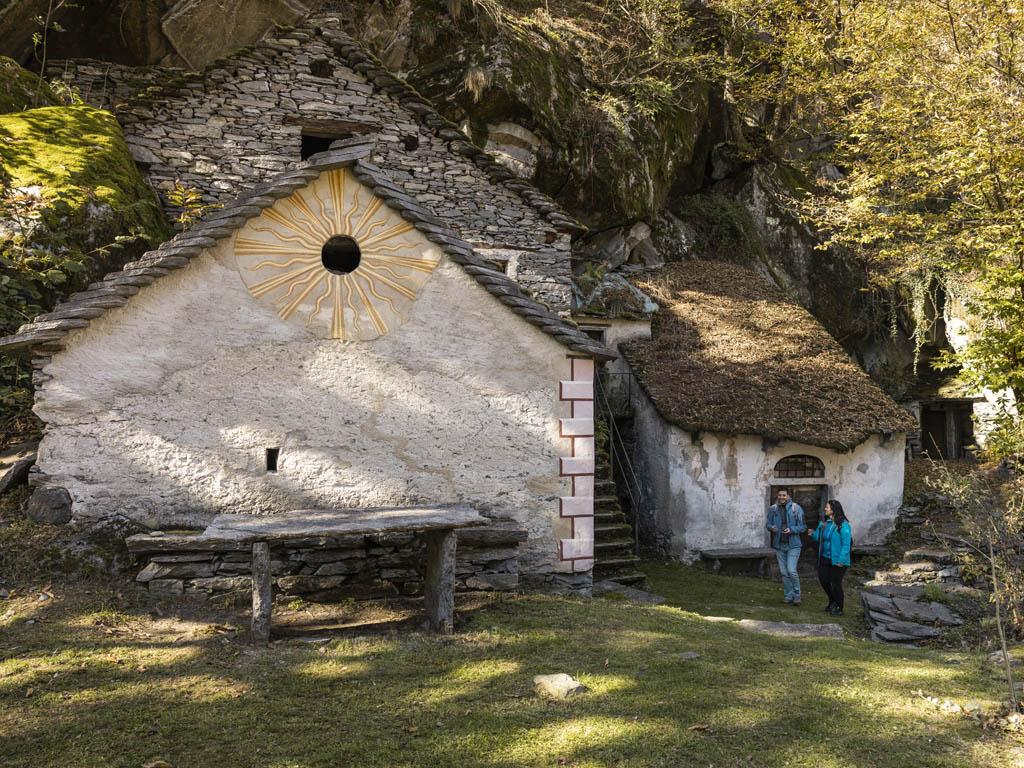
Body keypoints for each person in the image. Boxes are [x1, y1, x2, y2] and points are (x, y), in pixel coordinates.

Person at [810, 499, 852, 616]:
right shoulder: (825, 523)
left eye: (827, 507)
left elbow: (846, 545)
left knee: (835, 583)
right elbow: (818, 538)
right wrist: (813, 533)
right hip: (824, 557)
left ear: (833, 510)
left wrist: (841, 560)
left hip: (838, 560)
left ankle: (839, 607)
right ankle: (832, 601)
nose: (825, 509)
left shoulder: (844, 525)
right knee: (824, 581)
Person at [766, 489, 806, 605]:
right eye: (779, 495)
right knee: (784, 572)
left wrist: (792, 529)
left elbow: (803, 527)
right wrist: (771, 527)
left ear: (788, 496)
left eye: (784, 495)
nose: (781, 497)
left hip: (793, 545)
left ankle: (797, 594)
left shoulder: (796, 508)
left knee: (791, 570)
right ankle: (788, 596)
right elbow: (767, 524)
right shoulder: (773, 509)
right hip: (779, 545)